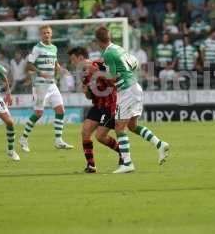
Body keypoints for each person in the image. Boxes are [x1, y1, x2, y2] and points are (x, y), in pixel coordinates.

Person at [95, 26, 169, 174]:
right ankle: (160, 144)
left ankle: (127, 163)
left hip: (127, 91)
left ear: (97, 41)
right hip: (135, 86)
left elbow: (114, 77)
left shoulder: (108, 53)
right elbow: (135, 63)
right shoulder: (118, 48)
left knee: (119, 128)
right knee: (133, 126)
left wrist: (99, 74)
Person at [19, 25, 73, 152]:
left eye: (48, 33)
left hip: (51, 84)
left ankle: (58, 140)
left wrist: (61, 69)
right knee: (38, 113)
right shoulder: (37, 48)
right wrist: (40, 72)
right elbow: (29, 65)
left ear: (51, 34)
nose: (46, 35)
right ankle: (23, 138)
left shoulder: (54, 48)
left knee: (60, 110)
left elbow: (55, 63)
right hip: (39, 85)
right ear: (41, 35)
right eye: (44, 33)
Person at [68, 47, 121, 173]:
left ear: (80, 58)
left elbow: (115, 79)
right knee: (85, 132)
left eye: (73, 60)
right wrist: (87, 92)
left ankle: (123, 153)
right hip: (98, 105)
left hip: (110, 104)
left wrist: (100, 73)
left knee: (100, 136)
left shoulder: (99, 64)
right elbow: (89, 96)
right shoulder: (83, 74)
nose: (72, 63)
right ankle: (91, 166)